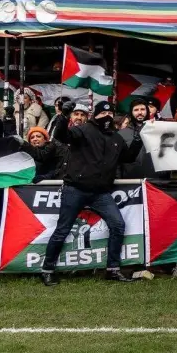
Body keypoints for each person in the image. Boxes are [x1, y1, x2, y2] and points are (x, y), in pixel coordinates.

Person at [39, 101, 142, 286]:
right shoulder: (84, 129)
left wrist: (137, 139)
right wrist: (63, 115)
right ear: (95, 115)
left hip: (101, 192)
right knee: (62, 229)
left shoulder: (116, 138)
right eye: (103, 114)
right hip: (75, 188)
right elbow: (62, 135)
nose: (107, 117)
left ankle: (112, 269)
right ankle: (47, 269)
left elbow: (128, 158)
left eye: (110, 114)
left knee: (118, 224)